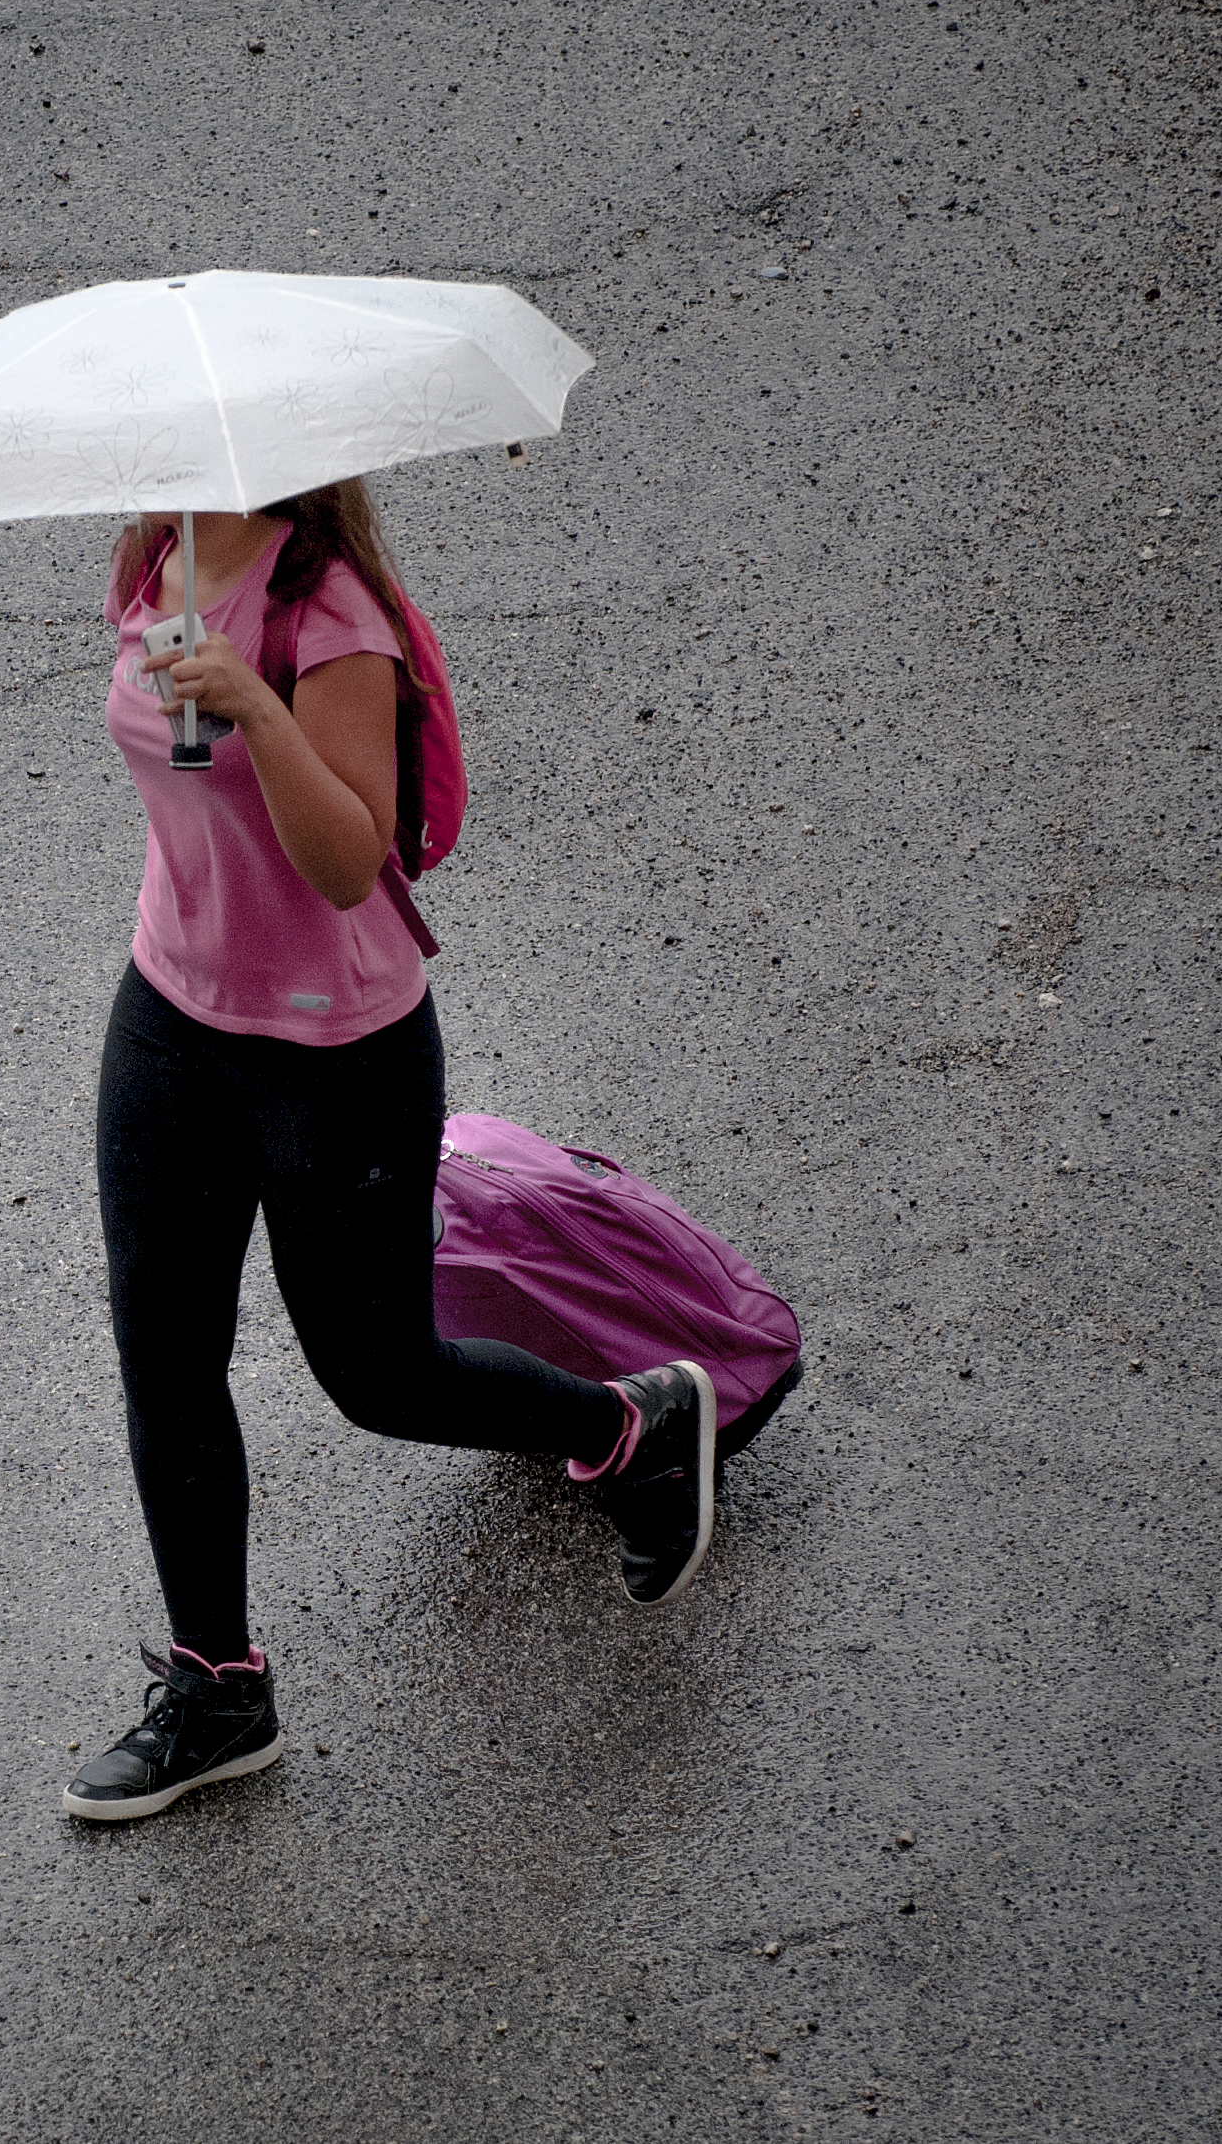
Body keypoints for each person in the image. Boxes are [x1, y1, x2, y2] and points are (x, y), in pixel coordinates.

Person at [63, 479, 716, 1825]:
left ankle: (628, 1424)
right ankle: (220, 1688)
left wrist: (251, 702)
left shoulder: (330, 614)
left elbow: (350, 860)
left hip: (336, 1052)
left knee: (378, 1374)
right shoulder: (149, 556)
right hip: (169, 1023)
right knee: (166, 1359)